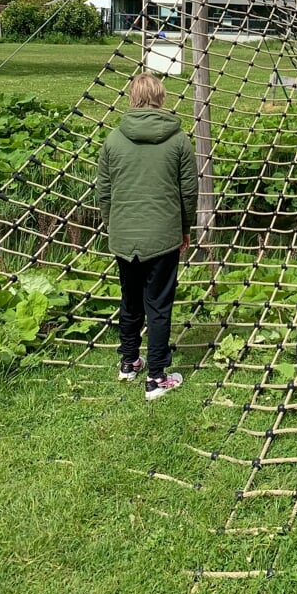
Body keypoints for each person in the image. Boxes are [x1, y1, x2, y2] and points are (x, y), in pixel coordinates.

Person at [96, 73, 196, 400]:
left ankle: (128, 362)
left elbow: (105, 192)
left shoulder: (113, 139)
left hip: (125, 236)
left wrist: (113, 224)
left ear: (132, 98)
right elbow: (189, 192)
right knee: (159, 305)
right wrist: (185, 228)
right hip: (163, 236)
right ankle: (155, 377)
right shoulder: (178, 140)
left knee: (130, 299)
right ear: (160, 97)